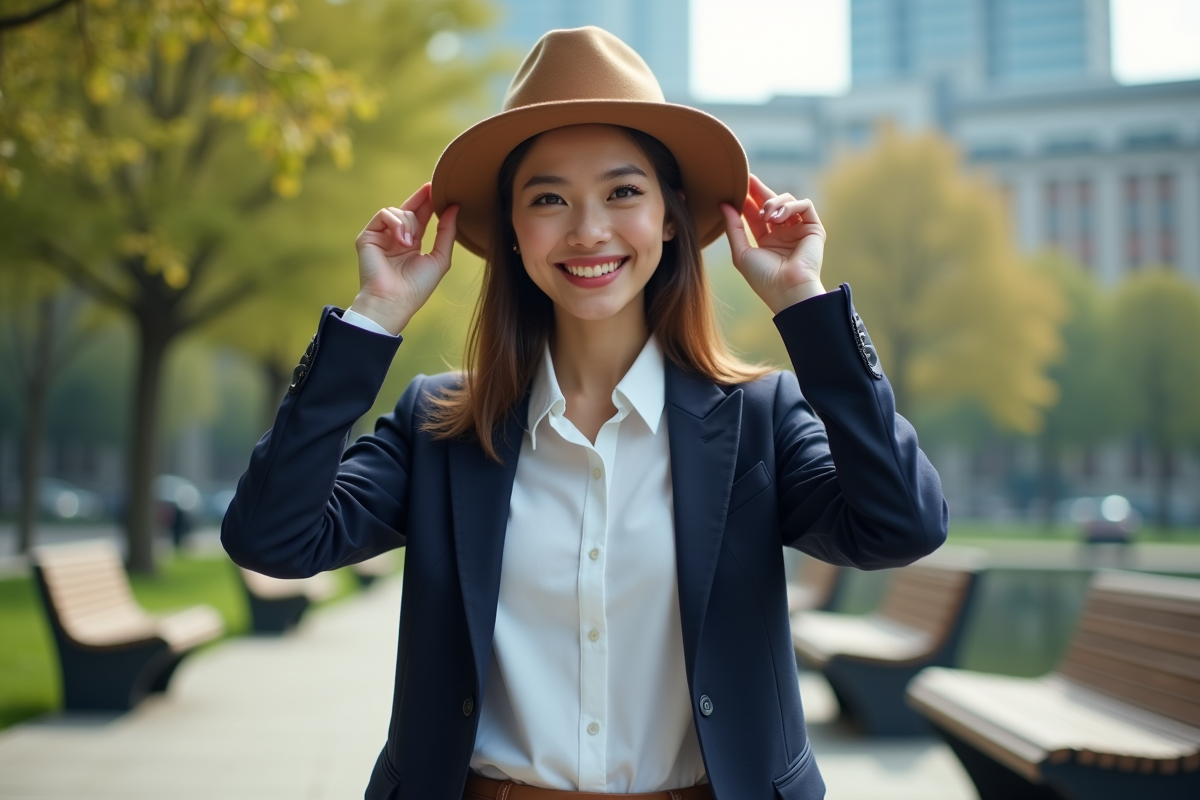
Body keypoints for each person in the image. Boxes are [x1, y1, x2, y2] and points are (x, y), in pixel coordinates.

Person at [222, 27, 947, 800]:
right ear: (511, 231)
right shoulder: (440, 426)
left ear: (671, 218)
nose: (588, 229)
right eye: (548, 199)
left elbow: (902, 524)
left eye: (623, 192)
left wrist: (807, 310)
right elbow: (273, 537)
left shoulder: (758, 421)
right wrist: (372, 320)